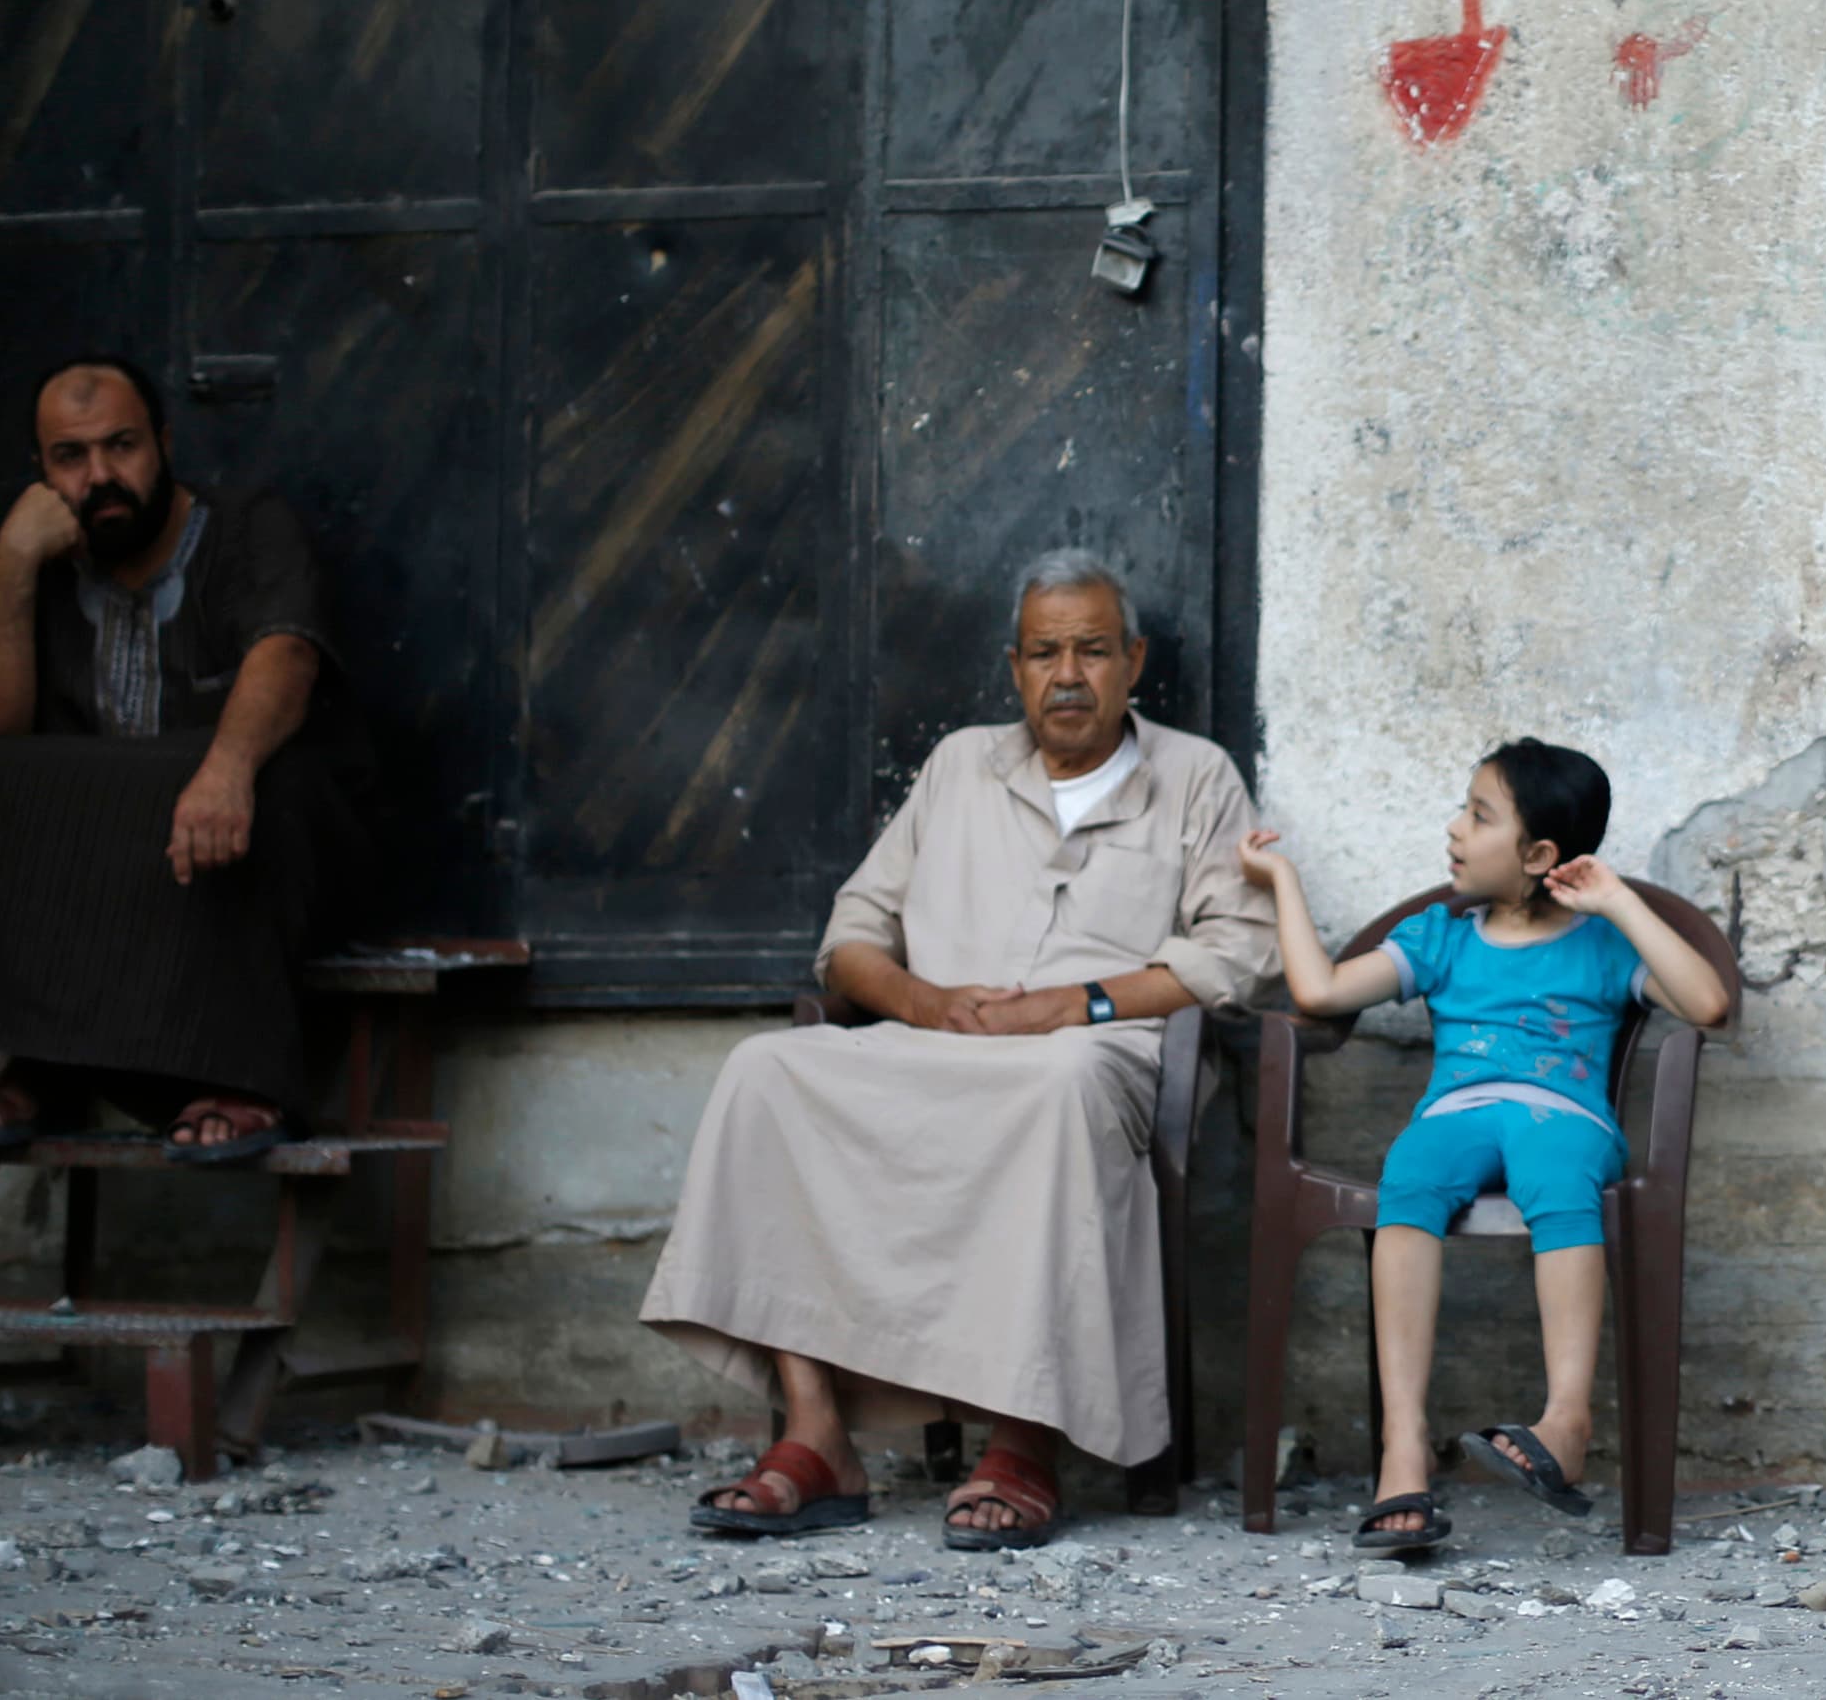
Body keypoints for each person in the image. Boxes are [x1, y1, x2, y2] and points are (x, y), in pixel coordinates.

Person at [642, 550, 1278, 1550]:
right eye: (1044, 653)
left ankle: (1022, 1437)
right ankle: (817, 1436)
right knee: (766, 1070)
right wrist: (921, 1001)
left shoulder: (1192, 776)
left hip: (1091, 1055)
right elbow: (850, 935)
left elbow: (1238, 955)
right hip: (937, 1044)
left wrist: (1073, 1005)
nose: (1068, 675)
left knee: (1056, 1083)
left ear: (1134, 661)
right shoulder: (958, 764)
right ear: (1013, 666)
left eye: (1093, 651)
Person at [1236, 739, 1730, 1554]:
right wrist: (1282, 880)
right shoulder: (1442, 937)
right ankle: (1403, 1446)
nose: (1455, 829)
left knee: (1555, 1170)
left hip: (1563, 1116)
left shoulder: (1603, 944)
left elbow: (1706, 1002)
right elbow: (1319, 989)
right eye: (1464, 808)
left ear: (1539, 854)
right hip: (1456, 1113)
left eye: (1479, 815)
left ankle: (1566, 1420)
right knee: (1412, 1170)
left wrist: (1616, 899)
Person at [0, 355, 369, 1159]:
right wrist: (13, 563)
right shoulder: (43, 564)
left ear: (162, 441)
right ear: (41, 473)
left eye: (121, 446)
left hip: (240, 852)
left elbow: (286, 656)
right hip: (104, 867)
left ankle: (242, 1077)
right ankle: (44, 1060)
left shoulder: (247, 526)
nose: (101, 475)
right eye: (71, 457)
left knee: (276, 774)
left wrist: (225, 770)